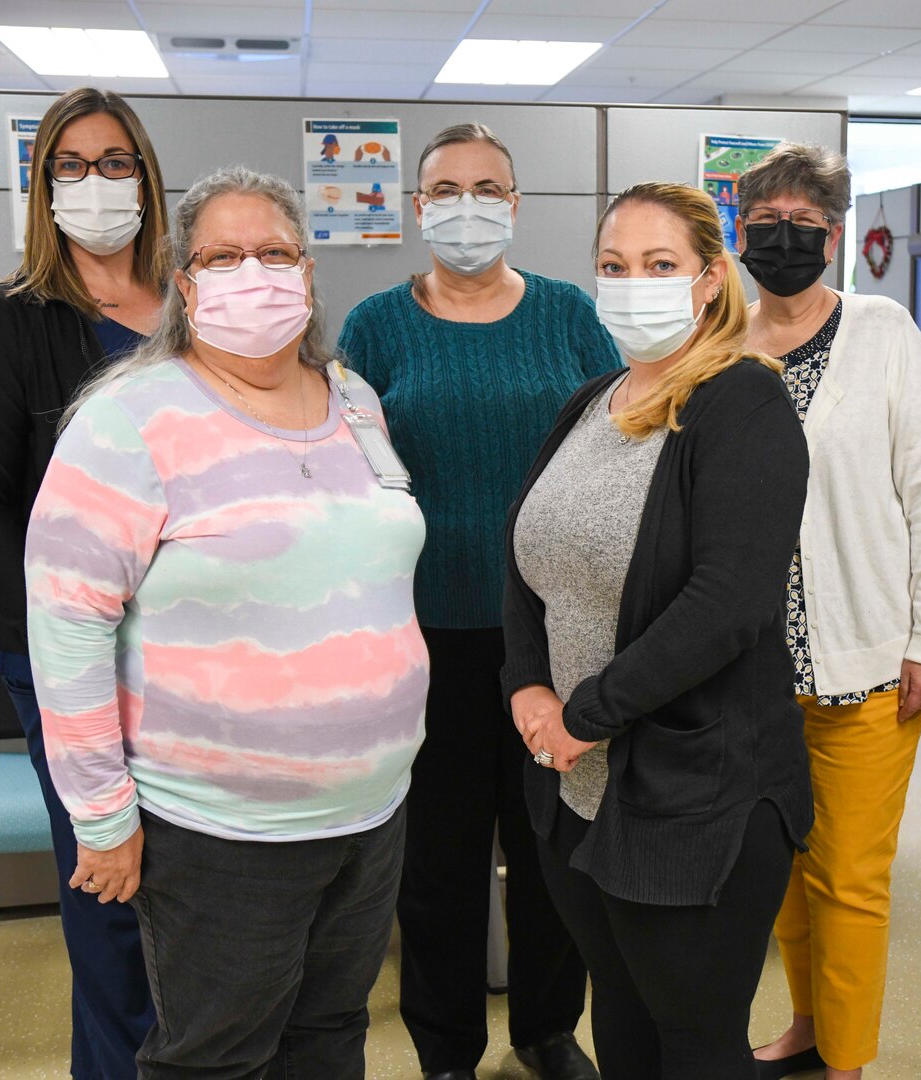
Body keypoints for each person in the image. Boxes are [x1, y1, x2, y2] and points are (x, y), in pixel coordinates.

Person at [25, 166, 429, 1079]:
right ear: (185, 281)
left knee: (330, 1034)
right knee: (216, 1057)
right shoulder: (130, 418)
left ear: (309, 273)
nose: (255, 272)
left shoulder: (353, 399)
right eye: (223, 254)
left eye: (276, 251)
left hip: (368, 811)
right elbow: (67, 625)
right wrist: (101, 816)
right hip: (220, 831)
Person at [504, 181, 813, 1080]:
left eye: (659, 265)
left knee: (695, 1041)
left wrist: (583, 714)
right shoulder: (592, 400)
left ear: (710, 281)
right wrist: (526, 681)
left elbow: (727, 602)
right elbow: (527, 551)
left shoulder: (740, 404)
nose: (631, 282)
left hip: (697, 790)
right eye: (613, 265)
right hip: (580, 791)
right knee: (626, 1022)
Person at [336, 123, 616, 1080]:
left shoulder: (572, 315)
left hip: (553, 631)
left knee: (552, 847)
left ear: (514, 203)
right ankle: (446, 1047)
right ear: (416, 209)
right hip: (427, 636)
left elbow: (612, 449)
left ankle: (546, 1028)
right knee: (440, 863)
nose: (466, 205)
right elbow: (345, 473)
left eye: (486, 187)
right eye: (445, 189)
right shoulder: (376, 326)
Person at [0, 85, 166, 1079]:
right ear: (43, 188)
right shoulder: (7, 320)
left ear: (148, 179)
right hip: (70, 659)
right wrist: (68, 629)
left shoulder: (197, 306)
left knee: (190, 896)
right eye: (70, 166)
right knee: (109, 896)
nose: (95, 183)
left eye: (115, 162)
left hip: (193, 659)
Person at [735, 144, 921, 1080]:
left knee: (850, 878)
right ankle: (807, 1023)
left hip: (866, 660)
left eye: (806, 225)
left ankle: (849, 1062)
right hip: (747, 670)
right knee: (785, 870)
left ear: (834, 236)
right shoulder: (720, 340)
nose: (785, 239)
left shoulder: (883, 333)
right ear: (739, 231)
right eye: (766, 224)